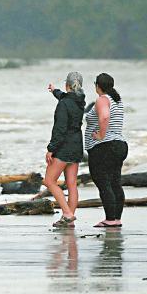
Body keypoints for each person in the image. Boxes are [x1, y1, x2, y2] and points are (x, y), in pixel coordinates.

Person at [85, 73, 127, 228]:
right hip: (119, 145)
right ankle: (116, 219)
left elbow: (104, 117)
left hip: (104, 147)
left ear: (97, 86)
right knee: (115, 183)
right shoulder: (117, 100)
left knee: (103, 183)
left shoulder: (102, 99)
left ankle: (110, 219)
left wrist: (100, 136)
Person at [44, 71, 85, 228]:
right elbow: (64, 97)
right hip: (76, 146)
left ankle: (67, 214)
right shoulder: (80, 101)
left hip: (64, 147)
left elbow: (60, 129)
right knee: (72, 184)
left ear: (67, 84)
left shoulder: (64, 104)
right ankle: (69, 219)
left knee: (49, 181)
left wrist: (51, 148)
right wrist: (54, 91)